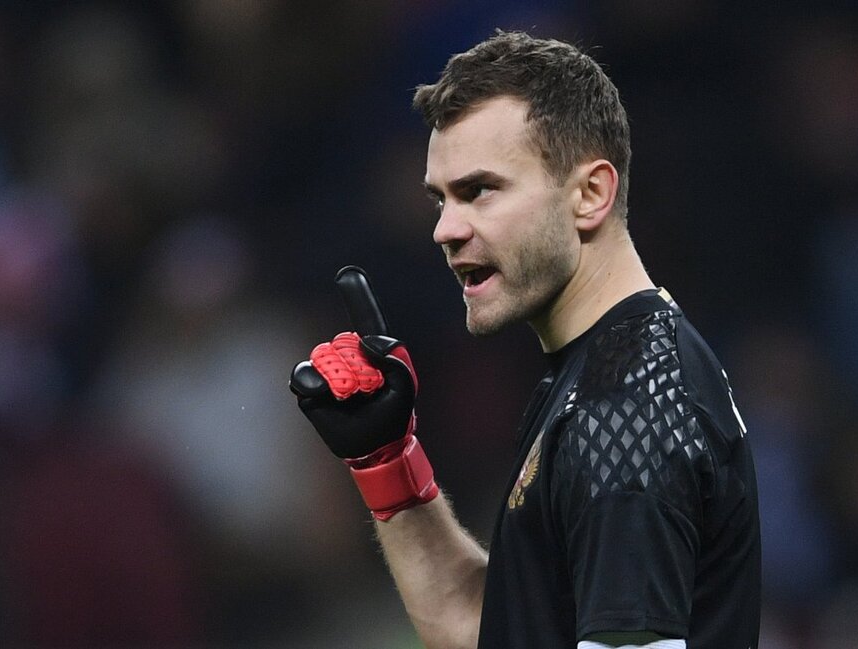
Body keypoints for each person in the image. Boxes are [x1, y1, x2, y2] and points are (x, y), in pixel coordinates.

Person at [290, 31, 760, 649]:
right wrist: (388, 462)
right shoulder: (603, 373)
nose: (444, 229)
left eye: (479, 191)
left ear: (590, 194)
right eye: (440, 199)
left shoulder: (623, 411)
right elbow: (486, 627)